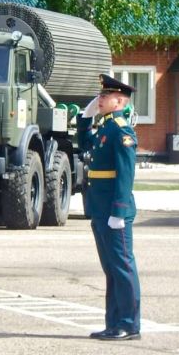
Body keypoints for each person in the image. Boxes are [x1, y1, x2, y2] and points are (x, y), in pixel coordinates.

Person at [77, 74, 141, 341]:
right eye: (100, 96)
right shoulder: (105, 128)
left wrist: (119, 211)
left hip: (114, 211)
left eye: (105, 96)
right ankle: (114, 323)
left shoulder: (122, 130)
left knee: (123, 267)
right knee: (111, 268)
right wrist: (84, 118)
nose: (100, 99)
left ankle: (129, 323)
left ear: (120, 101)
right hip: (100, 208)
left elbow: (125, 175)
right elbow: (84, 147)